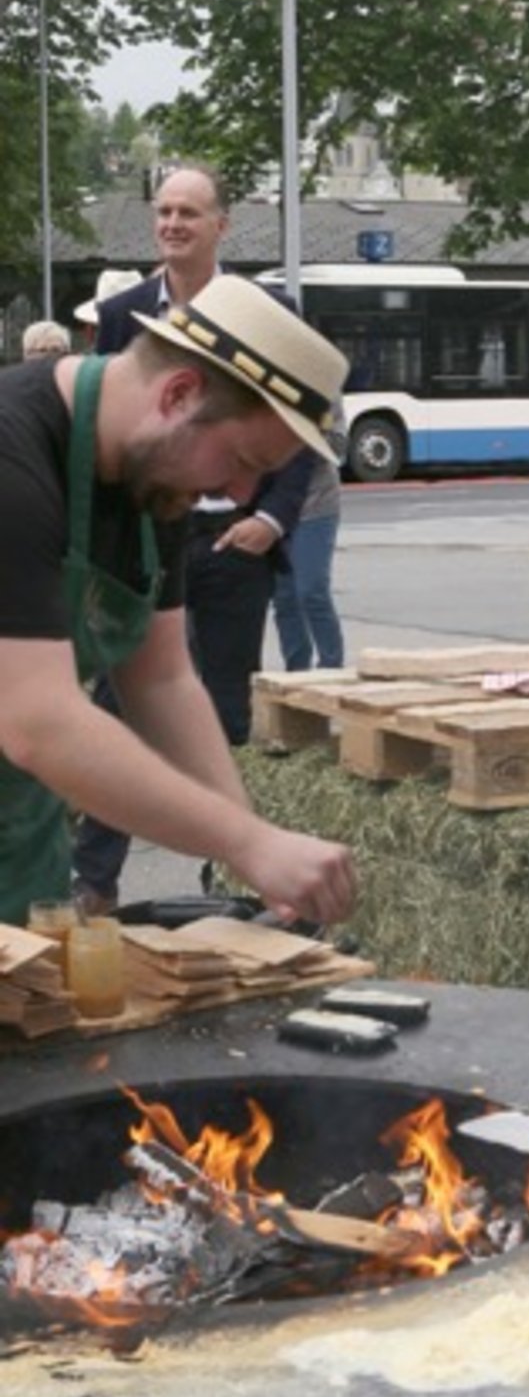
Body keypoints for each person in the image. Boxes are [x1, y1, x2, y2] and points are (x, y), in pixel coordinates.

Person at [0, 272, 356, 930]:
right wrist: (248, 842)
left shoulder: (155, 477)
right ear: (179, 394)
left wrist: (250, 850)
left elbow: (162, 679)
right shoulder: (13, 455)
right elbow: (37, 721)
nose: (243, 494)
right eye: (243, 459)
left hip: (19, 855)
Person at [72, 167, 312, 913]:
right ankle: (95, 879)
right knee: (112, 701)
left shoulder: (270, 313)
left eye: (189, 212)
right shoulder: (119, 317)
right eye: (163, 212)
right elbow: (38, 718)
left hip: (228, 548)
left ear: (221, 226)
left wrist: (266, 518)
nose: (173, 224)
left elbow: (295, 440)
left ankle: (227, 886)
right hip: (143, 539)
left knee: (222, 702)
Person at [273, 399, 347, 672]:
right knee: (284, 597)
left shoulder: (325, 388)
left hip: (317, 504)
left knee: (311, 590)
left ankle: (331, 667)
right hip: (277, 505)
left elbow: (338, 447)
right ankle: (296, 671)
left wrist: (306, 430)